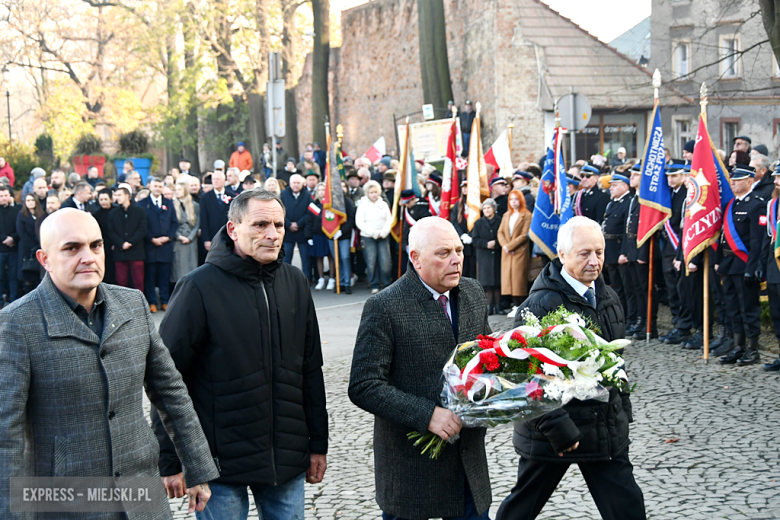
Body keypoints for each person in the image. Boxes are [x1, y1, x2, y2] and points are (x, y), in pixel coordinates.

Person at [0, 208, 219, 517]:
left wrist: (197, 467)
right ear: (44, 259)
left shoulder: (132, 303)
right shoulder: (16, 323)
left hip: (142, 493)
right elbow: (5, 434)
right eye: (72, 248)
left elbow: (171, 393)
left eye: (96, 245)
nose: (88, 256)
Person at [151, 188, 328, 519]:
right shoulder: (197, 287)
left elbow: (310, 370)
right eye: (260, 225)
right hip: (218, 465)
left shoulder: (295, 282)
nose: (272, 235)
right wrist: (170, 458)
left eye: (278, 225)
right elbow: (167, 379)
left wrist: (318, 444)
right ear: (233, 229)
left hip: (285, 459)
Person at [497, 216, 644, 520]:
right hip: (556, 435)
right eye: (584, 253)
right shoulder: (540, 305)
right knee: (521, 508)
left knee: (628, 508)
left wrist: (622, 411)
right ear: (562, 255)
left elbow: (616, 365)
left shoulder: (608, 296)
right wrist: (559, 430)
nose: (595, 261)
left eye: (599, 252)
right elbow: (526, 375)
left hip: (603, 431)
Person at [349, 216, 491, 520]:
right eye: (443, 253)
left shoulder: (474, 293)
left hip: (468, 462)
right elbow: (364, 385)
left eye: (459, 250)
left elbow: (487, 358)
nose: (456, 260)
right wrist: (426, 415)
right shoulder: (385, 306)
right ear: (415, 258)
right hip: (411, 469)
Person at [716, 164, 766, 366]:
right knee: (732, 308)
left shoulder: (757, 205)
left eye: (737, 180)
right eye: (732, 180)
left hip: (744, 264)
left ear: (749, 181)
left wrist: (752, 268)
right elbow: (722, 237)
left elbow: (757, 242)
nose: (733, 183)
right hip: (729, 264)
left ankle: (753, 350)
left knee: (748, 309)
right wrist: (719, 261)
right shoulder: (731, 205)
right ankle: (739, 346)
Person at [623, 164, 657, 339]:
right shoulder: (633, 198)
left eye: (636, 175)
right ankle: (641, 320)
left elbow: (647, 228)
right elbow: (627, 227)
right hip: (631, 248)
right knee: (636, 287)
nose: (631, 177)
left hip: (641, 249)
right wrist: (625, 252)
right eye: (631, 174)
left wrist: (643, 254)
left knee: (645, 289)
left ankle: (649, 323)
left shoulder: (646, 200)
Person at [137, 177, 178, 313]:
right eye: (155, 186)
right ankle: (152, 302)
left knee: (164, 276)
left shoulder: (169, 203)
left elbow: (174, 223)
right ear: (150, 187)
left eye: (160, 186)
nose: (158, 188)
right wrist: (152, 239)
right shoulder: (142, 204)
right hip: (150, 245)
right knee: (150, 276)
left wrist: (168, 237)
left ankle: (165, 301)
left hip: (165, 246)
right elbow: (142, 225)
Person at [659, 161, 688, 344]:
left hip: (680, 247)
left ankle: (684, 326)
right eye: (669, 176)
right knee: (671, 289)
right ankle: (677, 321)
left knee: (681, 289)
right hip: (668, 248)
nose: (670, 179)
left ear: (684, 176)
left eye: (675, 176)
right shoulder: (667, 194)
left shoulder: (686, 195)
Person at [601, 173, 632, 326]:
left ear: (625, 186)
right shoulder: (612, 203)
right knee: (616, 287)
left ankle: (629, 317)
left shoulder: (628, 202)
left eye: (614, 185)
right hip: (610, 249)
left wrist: (624, 252)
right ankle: (620, 315)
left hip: (620, 249)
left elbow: (627, 230)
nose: (611, 188)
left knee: (627, 288)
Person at [356, 180, 392, 294]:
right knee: (371, 262)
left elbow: (389, 219)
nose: (374, 194)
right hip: (368, 237)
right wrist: (373, 233)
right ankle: (374, 284)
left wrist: (384, 232)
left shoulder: (383, 204)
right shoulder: (362, 205)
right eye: (371, 192)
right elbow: (359, 222)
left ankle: (386, 283)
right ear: (367, 193)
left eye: (376, 192)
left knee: (385, 262)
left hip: (383, 236)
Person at [108, 186, 147, 292]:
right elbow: (111, 231)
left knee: (138, 281)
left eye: (119, 195)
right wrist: (121, 244)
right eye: (116, 195)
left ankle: (139, 305)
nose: (117, 198)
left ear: (127, 196)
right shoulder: (113, 213)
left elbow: (142, 229)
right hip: (120, 252)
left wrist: (130, 242)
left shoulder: (139, 211)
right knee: (121, 282)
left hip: (136, 251)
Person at [498, 189, 532, 308]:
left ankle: (521, 306)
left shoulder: (527, 215)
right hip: (507, 252)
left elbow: (524, 234)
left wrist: (510, 246)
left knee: (519, 280)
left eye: (516, 199)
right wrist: (505, 246)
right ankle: (514, 306)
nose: (513, 202)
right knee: (508, 281)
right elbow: (500, 232)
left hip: (519, 251)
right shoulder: (506, 215)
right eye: (511, 199)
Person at [471, 198, 504, 315]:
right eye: (484, 208)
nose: (486, 210)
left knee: (497, 281)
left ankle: (498, 306)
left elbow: (504, 235)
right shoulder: (478, 223)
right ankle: (489, 306)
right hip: (484, 256)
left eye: (488, 207)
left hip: (498, 254)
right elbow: (474, 239)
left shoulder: (500, 220)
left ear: (494, 209)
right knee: (487, 282)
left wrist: (496, 243)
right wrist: (485, 244)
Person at [762, 164, 780, 371]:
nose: (775, 181)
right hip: (774, 263)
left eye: (779, 178)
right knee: (776, 312)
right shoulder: (773, 204)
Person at [280, 174, 312, 278]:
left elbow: (310, 212)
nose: (296, 185)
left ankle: (307, 278)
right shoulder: (283, 194)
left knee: (305, 257)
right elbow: (280, 211)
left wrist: (299, 224)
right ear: (290, 183)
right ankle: (286, 279)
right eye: (294, 183)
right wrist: (288, 224)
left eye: (298, 183)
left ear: (302, 184)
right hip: (288, 231)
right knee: (287, 257)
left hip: (302, 231)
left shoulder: (307, 195)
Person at [307, 182, 335, 291]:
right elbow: (309, 221)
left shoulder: (331, 204)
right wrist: (309, 236)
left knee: (330, 256)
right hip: (317, 235)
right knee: (319, 257)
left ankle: (332, 279)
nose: (322, 192)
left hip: (329, 234)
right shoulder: (313, 205)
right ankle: (321, 278)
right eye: (320, 190)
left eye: (324, 190)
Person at [172, 177, 200, 283]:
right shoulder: (172, 205)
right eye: (176, 190)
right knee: (178, 270)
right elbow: (170, 224)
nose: (177, 192)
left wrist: (190, 237)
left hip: (191, 241)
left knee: (191, 267)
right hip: (178, 241)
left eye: (179, 189)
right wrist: (178, 236)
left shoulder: (195, 205)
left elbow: (197, 224)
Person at [16, 192, 44, 295]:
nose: (30, 203)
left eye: (32, 200)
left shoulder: (41, 214)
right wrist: (33, 245)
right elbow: (21, 232)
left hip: (40, 246)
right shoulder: (21, 215)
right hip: (26, 249)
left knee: (38, 276)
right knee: (27, 276)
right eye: (28, 200)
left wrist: (39, 244)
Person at [399, 189, 431, 275]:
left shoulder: (422, 207)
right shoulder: (406, 208)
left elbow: (427, 222)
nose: (406, 205)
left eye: (408, 203)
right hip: (409, 240)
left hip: (419, 241)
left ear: (413, 199)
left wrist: (416, 227)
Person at [200, 170, 233, 251]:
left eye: (218, 179)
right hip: (212, 235)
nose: (215, 181)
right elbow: (204, 219)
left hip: (228, 235)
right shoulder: (205, 197)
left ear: (224, 181)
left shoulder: (232, 196)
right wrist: (206, 239)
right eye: (214, 179)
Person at [450, 180, 476, 279]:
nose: (465, 189)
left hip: (474, 243)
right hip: (462, 242)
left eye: (467, 186)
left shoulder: (476, 204)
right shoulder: (458, 204)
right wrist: (462, 235)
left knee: (473, 270)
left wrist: (472, 235)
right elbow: (454, 220)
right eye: (463, 187)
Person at [92, 188, 117, 285]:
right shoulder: (96, 214)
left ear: (111, 199)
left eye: (105, 199)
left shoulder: (116, 211)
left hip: (116, 246)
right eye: (101, 200)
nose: (103, 202)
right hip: (103, 245)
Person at [0, 185, 20, 304]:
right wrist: (4, 239)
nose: (3, 198)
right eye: (1, 196)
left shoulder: (17, 211)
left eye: (5, 195)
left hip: (14, 249)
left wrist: (13, 238)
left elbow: (20, 228)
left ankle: (14, 300)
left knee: (14, 277)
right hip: (0, 250)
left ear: (10, 196)